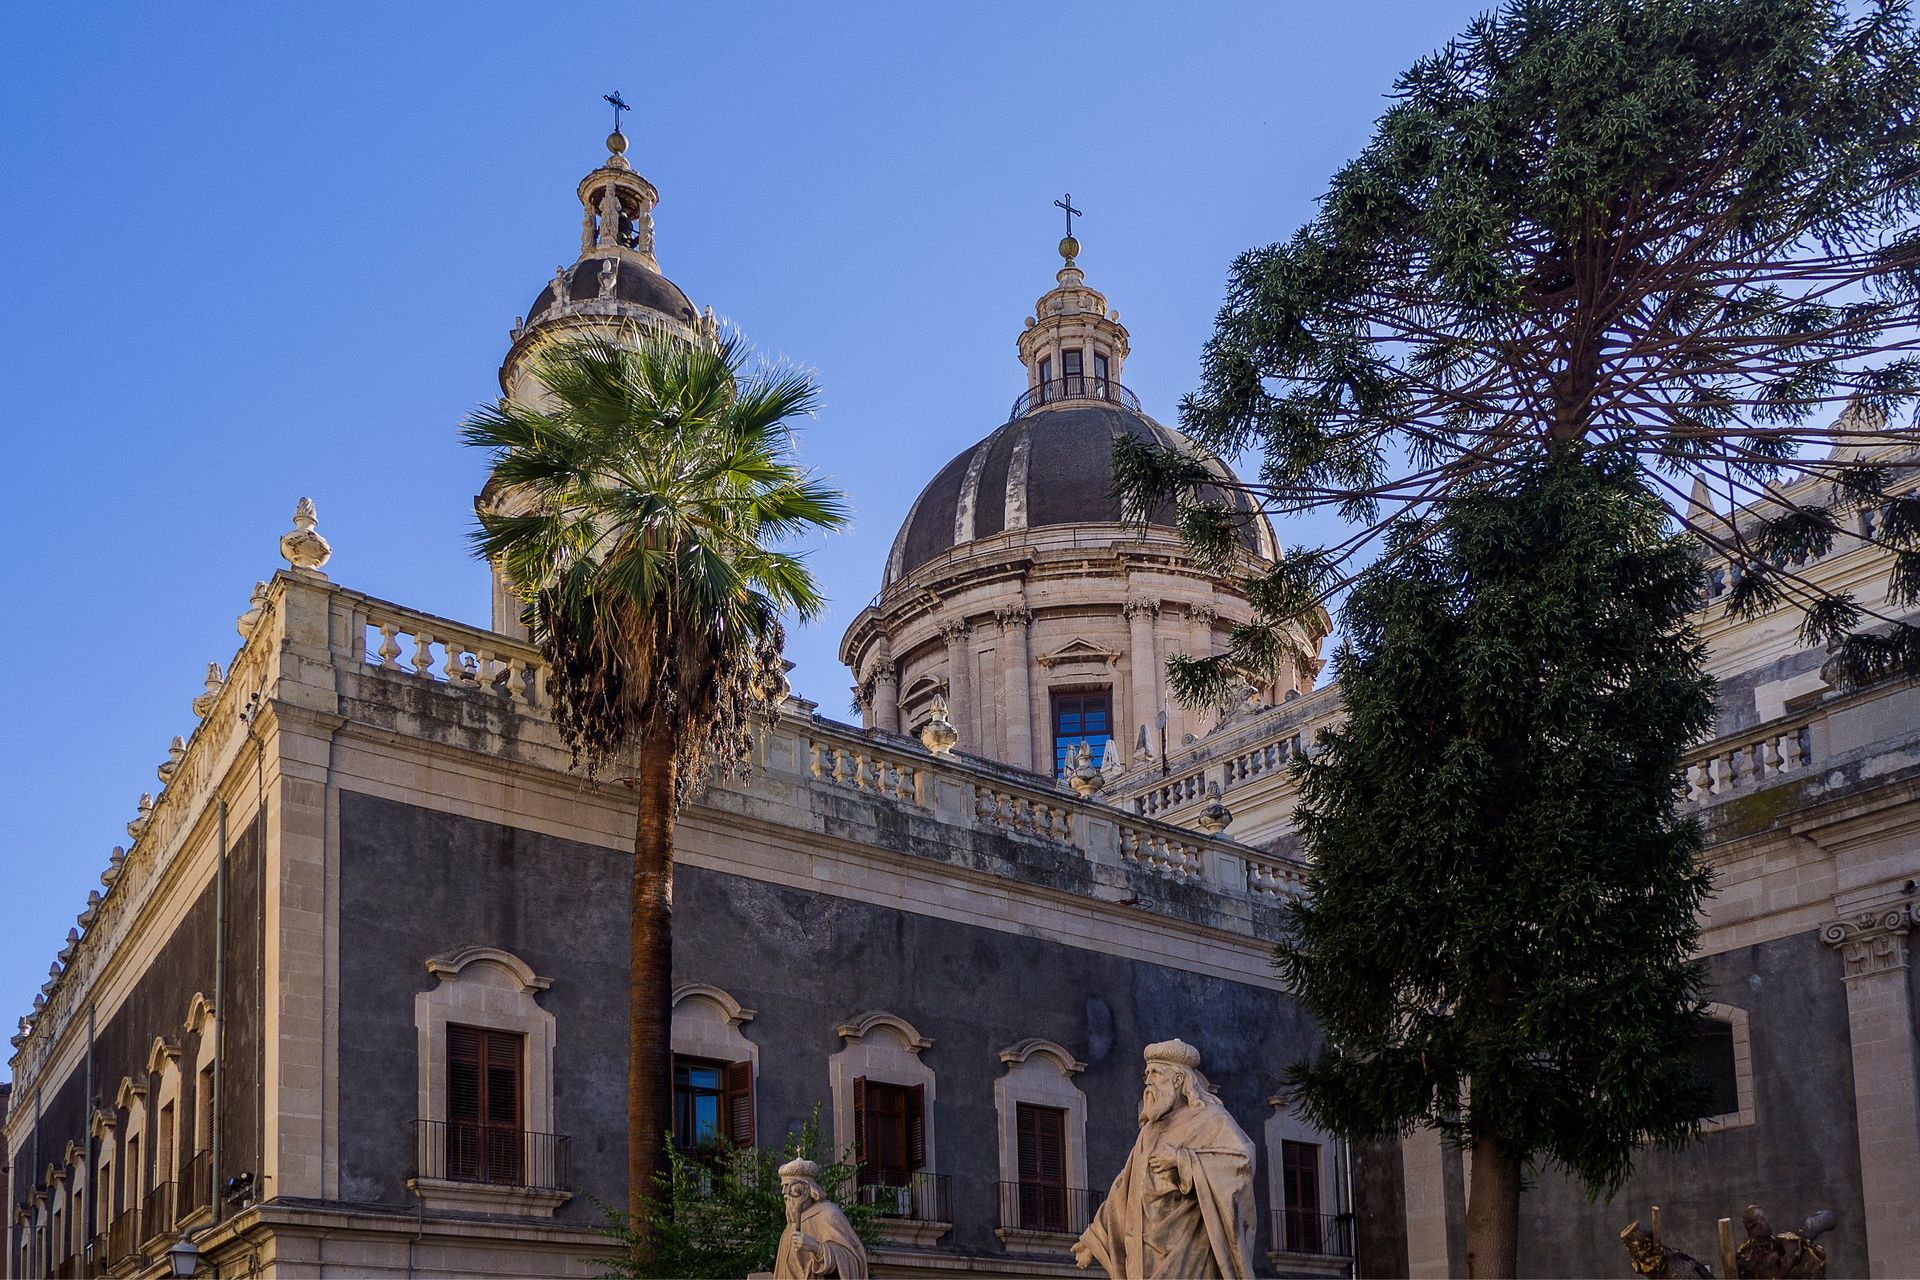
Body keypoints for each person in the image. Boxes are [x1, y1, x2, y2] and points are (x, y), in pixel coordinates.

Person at [1074, 1039, 1256, 1279]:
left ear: (1178, 1079)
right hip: (1143, 1255)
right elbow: (1125, 1189)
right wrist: (1093, 1240)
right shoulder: (1149, 1131)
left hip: (1189, 1249)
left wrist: (1182, 1160)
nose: (1148, 1080)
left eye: (1156, 1073)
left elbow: (1242, 1162)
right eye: (1147, 1073)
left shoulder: (1211, 1119)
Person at [772, 1158, 868, 1279]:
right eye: (784, 1194)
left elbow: (851, 1259)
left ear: (806, 1191)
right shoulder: (789, 1228)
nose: (785, 1194)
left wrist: (816, 1247)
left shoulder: (829, 1214)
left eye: (789, 1188)